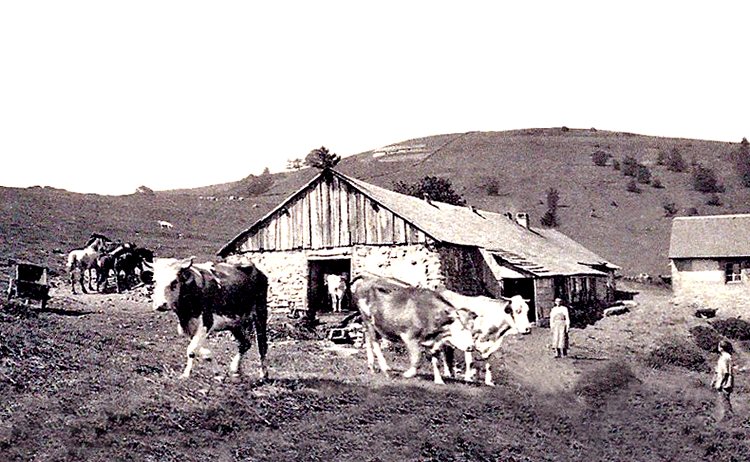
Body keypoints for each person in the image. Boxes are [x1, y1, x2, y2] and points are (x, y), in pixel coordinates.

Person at [711, 339, 734, 420]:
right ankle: (728, 416)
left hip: (724, 383)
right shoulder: (727, 356)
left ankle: (728, 417)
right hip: (727, 382)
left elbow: (725, 373)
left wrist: (719, 383)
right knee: (725, 400)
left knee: (724, 401)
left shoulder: (724, 358)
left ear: (721, 348)